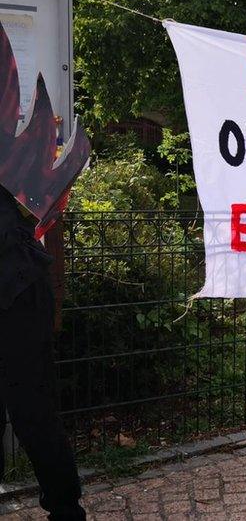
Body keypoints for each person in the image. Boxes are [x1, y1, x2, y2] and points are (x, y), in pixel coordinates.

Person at [0, 188, 86, 520]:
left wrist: (58, 297)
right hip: (24, 283)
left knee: (34, 412)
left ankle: (66, 510)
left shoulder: (18, 149)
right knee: (35, 411)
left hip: (21, 288)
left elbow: (52, 212)